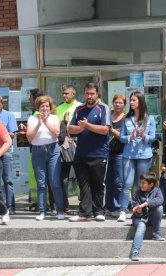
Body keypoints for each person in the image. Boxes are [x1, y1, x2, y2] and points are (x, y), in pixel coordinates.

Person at [68, 82, 110, 222]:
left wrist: (87, 126)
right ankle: (84, 213)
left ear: (97, 94)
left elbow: (105, 130)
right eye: (87, 93)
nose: (89, 96)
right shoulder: (79, 109)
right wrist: (80, 129)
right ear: (84, 94)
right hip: (81, 153)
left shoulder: (103, 108)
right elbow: (70, 129)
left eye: (92, 94)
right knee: (83, 184)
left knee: (98, 184)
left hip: (99, 153)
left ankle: (99, 211)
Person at [117, 91, 156, 222]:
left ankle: (142, 209)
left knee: (143, 184)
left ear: (140, 101)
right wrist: (130, 137)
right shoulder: (126, 118)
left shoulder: (149, 118)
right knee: (127, 183)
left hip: (144, 155)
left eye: (134, 100)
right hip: (129, 154)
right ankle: (123, 211)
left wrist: (144, 136)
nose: (131, 102)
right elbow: (121, 137)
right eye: (131, 100)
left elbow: (153, 137)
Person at [27, 95, 65, 221]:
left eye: (47, 106)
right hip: (38, 151)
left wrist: (46, 121)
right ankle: (42, 211)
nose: (44, 108)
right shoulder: (32, 118)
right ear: (38, 107)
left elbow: (56, 133)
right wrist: (39, 123)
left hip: (52, 149)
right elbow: (30, 137)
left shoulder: (54, 118)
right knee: (41, 183)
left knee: (54, 182)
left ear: (50, 107)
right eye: (42, 106)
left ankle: (60, 210)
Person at [0, 94, 18, 214]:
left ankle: (10, 206)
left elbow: (12, 134)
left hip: (5, 151)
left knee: (7, 180)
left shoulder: (9, 115)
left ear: (2, 103)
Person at [56, 85, 82, 213]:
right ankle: (64, 205)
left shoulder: (80, 106)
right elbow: (58, 128)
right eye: (63, 93)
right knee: (63, 177)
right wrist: (65, 123)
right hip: (63, 144)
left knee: (81, 175)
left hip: (79, 143)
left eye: (67, 93)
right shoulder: (59, 108)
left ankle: (82, 203)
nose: (64, 96)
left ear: (73, 94)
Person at [130, 173, 165, 261]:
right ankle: (135, 251)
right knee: (141, 227)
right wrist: (139, 210)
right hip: (140, 218)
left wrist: (146, 204)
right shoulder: (137, 193)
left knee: (159, 208)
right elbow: (136, 207)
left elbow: (160, 200)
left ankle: (156, 234)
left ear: (151, 185)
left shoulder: (157, 191)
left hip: (151, 218)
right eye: (140, 182)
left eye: (143, 183)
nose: (140, 185)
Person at [105, 94, 126, 218]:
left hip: (120, 153)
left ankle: (118, 207)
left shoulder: (126, 118)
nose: (118, 105)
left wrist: (112, 131)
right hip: (106, 152)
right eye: (116, 102)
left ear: (124, 105)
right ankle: (108, 207)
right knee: (108, 181)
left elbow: (124, 137)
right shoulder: (107, 116)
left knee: (119, 182)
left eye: (120, 103)